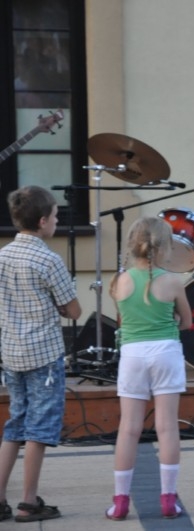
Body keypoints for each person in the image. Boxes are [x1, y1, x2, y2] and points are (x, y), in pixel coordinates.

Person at [0, 186, 81, 523]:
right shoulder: (49, 260)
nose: (58, 221)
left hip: (11, 354)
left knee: (15, 425)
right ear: (43, 221)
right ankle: (28, 502)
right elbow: (73, 311)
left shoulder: (2, 256)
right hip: (43, 356)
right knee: (39, 430)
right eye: (56, 216)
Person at [106, 217, 192, 520]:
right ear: (165, 247)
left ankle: (120, 502)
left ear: (133, 244)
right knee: (167, 427)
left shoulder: (119, 281)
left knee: (128, 429)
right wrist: (170, 320)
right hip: (166, 352)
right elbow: (188, 322)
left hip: (132, 354)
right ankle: (168, 499)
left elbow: (124, 319)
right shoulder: (173, 281)